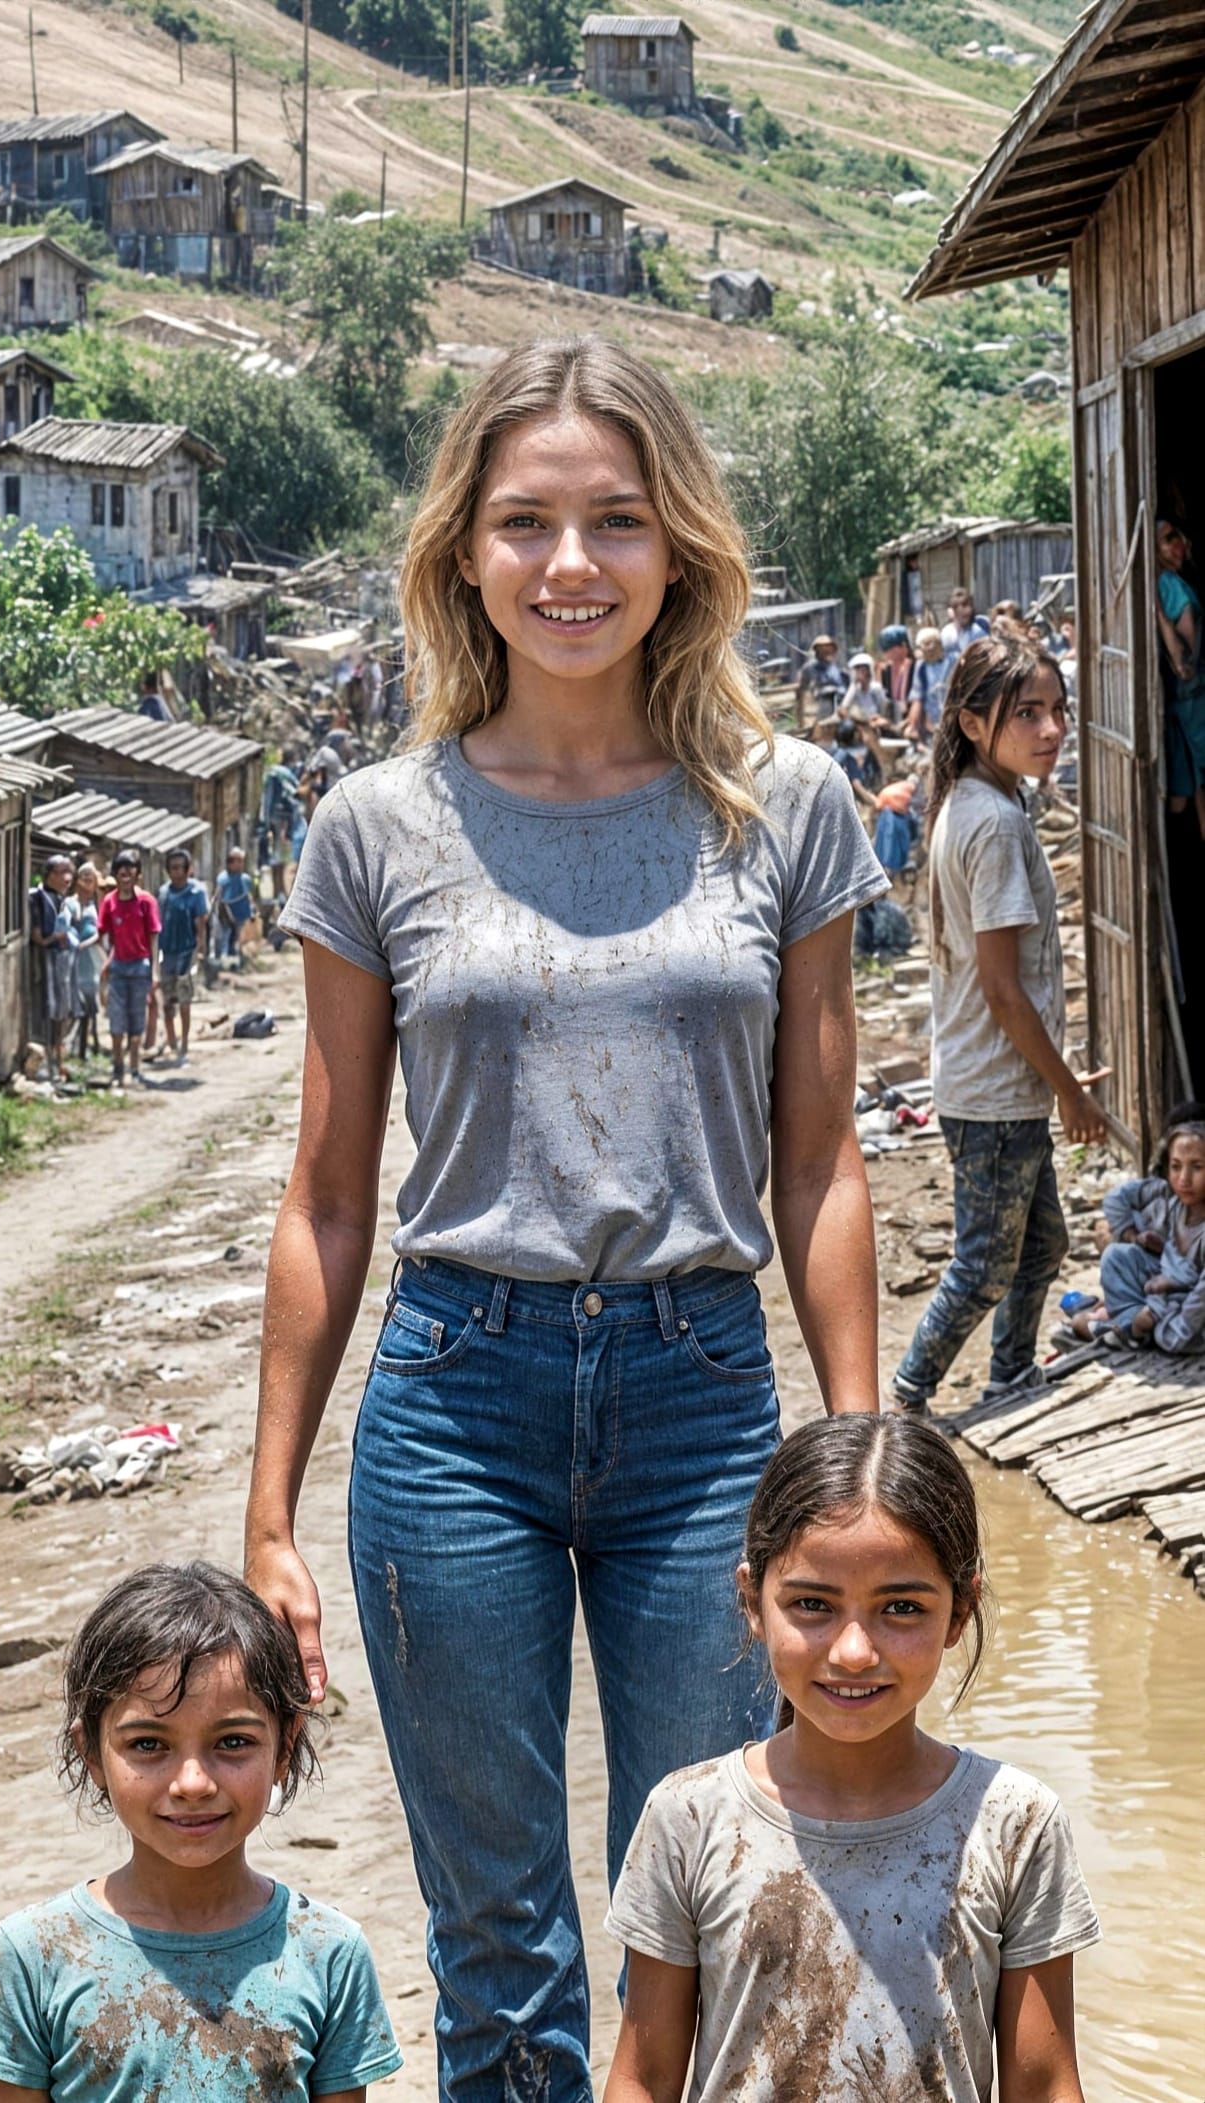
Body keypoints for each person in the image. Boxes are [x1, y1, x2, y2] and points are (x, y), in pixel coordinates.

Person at [246, 336, 888, 2095]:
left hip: (705, 1403)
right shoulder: (375, 825)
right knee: (500, 1943)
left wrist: (856, 1455)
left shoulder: (782, 804)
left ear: (677, 544)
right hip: (453, 1405)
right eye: (524, 521)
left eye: (615, 518)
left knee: (715, 1910)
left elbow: (821, 1160)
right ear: (463, 551)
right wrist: (270, 1510)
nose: (570, 563)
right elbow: (325, 1195)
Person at [604, 1414, 1099, 2103]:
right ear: (752, 1601)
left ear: (960, 1611)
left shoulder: (1014, 1824)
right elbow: (643, 2078)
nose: (854, 1652)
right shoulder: (688, 1818)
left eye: (901, 1607)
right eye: (812, 1603)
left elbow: (1043, 2085)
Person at [0, 1561, 403, 2100]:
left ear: (284, 1748)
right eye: (148, 1744)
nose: (193, 1783)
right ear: (91, 1753)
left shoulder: (327, 1954)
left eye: (233, 1742)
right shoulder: (36, 1956)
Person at [891, 638, 1109, 1415]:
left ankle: (1010, 1374)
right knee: (983, 1265)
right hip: (992, 1094)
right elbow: (1001, 990)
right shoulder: (991, 822)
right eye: (1026, 713)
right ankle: (907, 1399)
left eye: (1057, 710)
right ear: (972, 722)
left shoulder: (982, 800)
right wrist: (1069, 1093)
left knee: (1042, 1243)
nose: (1051, 729)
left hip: (995, 1083)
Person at [1065, 1103, 1205, 1353]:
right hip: (1166, 1300)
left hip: (1186, 1317)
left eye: (1197, 1167)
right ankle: (1130, 1327)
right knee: (1116, 1256)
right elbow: (1116, 1200)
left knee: (1089, 1323)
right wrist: (1136, 1238)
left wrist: (1163, 1328)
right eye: (1176, 1166)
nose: (1184, 1179)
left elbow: (1195, 1303)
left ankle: (1129, 1329)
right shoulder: (1176, 1204)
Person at [1155, 516, 1205, 839]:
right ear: (1155, 550)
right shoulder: (1171, 585)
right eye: (1168, 539)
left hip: (1184, 702)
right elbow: (1185, 657)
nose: (1178, 544)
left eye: (1178, 536)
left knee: (1189, 789)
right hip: (1191, 702)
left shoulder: (1170, 583)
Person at [97, 848, 160, 1089]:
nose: (126, 874)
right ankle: (118, 1069)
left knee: (136, 1021)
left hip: (140, 967)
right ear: (115, 874)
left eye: (130, 869)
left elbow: (153, 938)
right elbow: (103, 935)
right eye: (121, 870)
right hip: (118, 968)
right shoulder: (109, 902)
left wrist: (154, 971)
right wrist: (106, 960)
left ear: (137, 875)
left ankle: (134, 1069)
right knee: (116, 1022)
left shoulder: (146, 902)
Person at [154, 848, 209, 1063]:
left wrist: (201, 950)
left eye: (180, 868)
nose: (177, 872)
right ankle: (172, 1042)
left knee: (185, 1001)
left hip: (187, 952)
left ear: (187, 869)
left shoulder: (196, 892)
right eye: (173, 868)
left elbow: (201, 923)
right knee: (168, 1002)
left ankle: (184, 1044)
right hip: (167, 952)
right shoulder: (164, 893)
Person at [29, 854, 78, 1082]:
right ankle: (48, 1062)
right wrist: (56, 938)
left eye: (69, 872)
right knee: (50, 1012)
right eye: (61, 873)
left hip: (64, 960)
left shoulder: (62, 900)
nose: (67, 878)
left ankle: (59, 1061)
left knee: (63, 1012)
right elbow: (38, 937)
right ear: (49, 875)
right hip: (46, 961)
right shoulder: (39, 899)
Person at [71, 862, 104, 1063]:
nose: (87, 883)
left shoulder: (95, 906)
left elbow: (100, 932)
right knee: (78, 1003)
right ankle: (78, 1048)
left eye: (90, 880)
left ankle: (92, 1044)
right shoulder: (70, 904)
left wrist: (86, 944)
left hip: (90, 958)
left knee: (91, 1002)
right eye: (84, 879)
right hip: (74, 959)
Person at [260, 758, 302, 902]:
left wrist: (266, 824)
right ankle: (280, 893)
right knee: (280, 861)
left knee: (276, 861)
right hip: (284, 826)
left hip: (277, 826)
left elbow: (267, 803)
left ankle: (279, 893)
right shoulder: (285, 777)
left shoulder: (273, 775)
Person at [905, 624, 948, 744]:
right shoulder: (921, 666)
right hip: (931, 724)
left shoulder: (953, 660)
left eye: (930, 643)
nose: (927, 648)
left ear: (939, 643)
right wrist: (913, 726)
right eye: (923, 645)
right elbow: (917, 698)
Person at [214, 843, 258, 960]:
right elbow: (218, 895)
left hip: (241, 914)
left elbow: (249, 895)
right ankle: (224, 958)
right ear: (230, 863)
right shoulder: (223, 878)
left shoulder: (245, 879)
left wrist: (253, 910)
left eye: (241, 861)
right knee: (225, 936)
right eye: (237, 861)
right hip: (227, 913)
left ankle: (238, 957)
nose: (240, 864)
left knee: (239, 937)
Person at [795, 633, 847, 721]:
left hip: (841, 697)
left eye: (828, 648)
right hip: (823, 699)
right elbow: (802, 686)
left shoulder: (836, 666)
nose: (826, 650)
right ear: (817, 650)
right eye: (822, 648)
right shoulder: (810, 667)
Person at [940, 587, 991, 669]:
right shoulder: (947, 633)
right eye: (956, 607)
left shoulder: (978, 630)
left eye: (966, 605)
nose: (964, 610)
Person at [876, 622, 914, 724]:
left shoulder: (915, 667)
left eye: (890, 649)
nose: (887, 654)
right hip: (891, 718)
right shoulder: (885, 670)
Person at [841, 650, 888, 725]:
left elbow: (883, 710)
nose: (859, 673)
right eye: (857, 670)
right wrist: (854, 685)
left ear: (869, 671)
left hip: (875, 722)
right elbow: (844, 707)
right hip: (859, 722)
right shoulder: (855, 688)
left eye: (863, 670)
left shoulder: (876, 688)